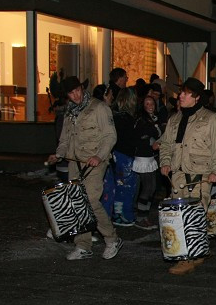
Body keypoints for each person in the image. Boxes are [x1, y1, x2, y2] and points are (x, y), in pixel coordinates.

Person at [46, 76, 123, 261]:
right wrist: (59, 154)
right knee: (77, 203)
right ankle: (83, 245)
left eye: (78, 90)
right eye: (71, 93)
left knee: (91, 200)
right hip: (75, 162)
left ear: (82, 88)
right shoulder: (70, 112)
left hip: (95, 161)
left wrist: (99, 155)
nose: (76, 95)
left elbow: (110, 136)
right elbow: (65, 139)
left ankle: (112, 239)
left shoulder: (99, 108)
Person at [159, 77, 216, 275]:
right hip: (178, 174)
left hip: (201, 174)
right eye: (181, 92)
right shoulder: (174, 119)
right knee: (179, 215)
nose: (181, 95)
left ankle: (188, 258)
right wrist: (165, 162)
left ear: (196, 98)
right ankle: (194, 252)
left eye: (186, 93)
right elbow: (165, 144)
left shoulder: (211, 119)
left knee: (195, 215)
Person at [109, 88, 140, 227]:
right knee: (125, 186)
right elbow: (129, 139)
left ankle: (119, 214)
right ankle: (121, 215)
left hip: (119, 154)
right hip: (124, 155)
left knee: (121, 185)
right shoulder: (125, 119)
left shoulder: (116, 116)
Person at [133, 93, 164, 230]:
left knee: (151, 188)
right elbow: (140, 137)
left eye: (151, 103)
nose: (150, 106)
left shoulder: (154, 119)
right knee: (147, 188)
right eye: (147, 104)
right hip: (143, 157)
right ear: (143, 106)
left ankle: (145, 216)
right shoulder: (142, 120)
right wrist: (152, 143)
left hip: (150, 157)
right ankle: (140, 218)